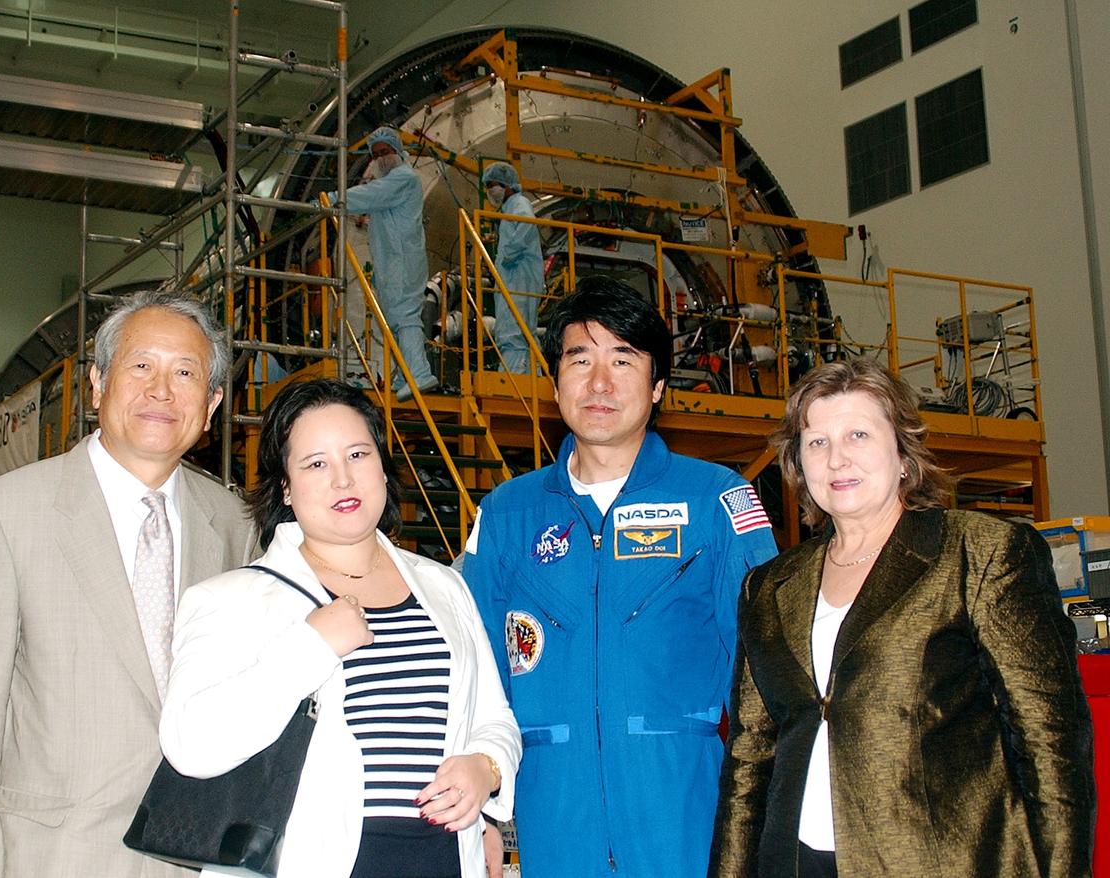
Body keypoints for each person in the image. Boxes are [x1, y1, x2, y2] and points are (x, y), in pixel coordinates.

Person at [709, 357, 1095, 877]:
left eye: (859, 435)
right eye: (817, 442)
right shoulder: (769, 585)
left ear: (904, 455)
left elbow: (1050, 742)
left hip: (942, 860)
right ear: (798, 464)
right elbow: (750, 754)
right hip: (796, 861)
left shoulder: (980, 552)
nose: (837, 459)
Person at [0, 291, 254, 878]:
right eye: (140, 366)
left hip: (194, 860)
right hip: (53, 858)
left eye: (184, 373)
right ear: (98, 384)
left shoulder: (233, 525)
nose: (161, 389)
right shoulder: (6, 514)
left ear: (211, 405)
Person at [462, 277, 778, 877]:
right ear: (555, 382)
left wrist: (764, 816)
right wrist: (485, 820)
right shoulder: (508, 514)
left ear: (658, 385)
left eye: (623, 360)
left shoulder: (716, 501)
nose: (599, 383)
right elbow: (474, 673)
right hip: (551, 828)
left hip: (688, 822)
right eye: (580, 360)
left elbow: (767, 671)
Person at [160, 378, 520, 878]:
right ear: (284, 487)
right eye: (315, 464)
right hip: (312, 863)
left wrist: (487, 767)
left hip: (439, 857)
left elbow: (495, 717)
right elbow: (190, 743)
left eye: (357, 455)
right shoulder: (230, 600)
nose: (343, 479)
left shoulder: (444, 588)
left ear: (383, 469)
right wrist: (311, 646)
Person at [329, 127, 438, 401]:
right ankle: (405, 373)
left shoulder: (403, 179)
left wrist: (333, 199)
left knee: (404, 316)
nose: (381, 158)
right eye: (376, 155)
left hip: (403, 263)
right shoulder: (390, 183)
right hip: (392, 265)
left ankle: (419, 372)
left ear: (398, 152)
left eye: (386, 152)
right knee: (394, 319)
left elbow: (370, 196)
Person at [482, 162, 544, 373]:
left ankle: (512, 376)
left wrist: (509, 253)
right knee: (524, 330)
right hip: (516, 278)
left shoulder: (519, 203)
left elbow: (527, 223)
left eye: (493, 185)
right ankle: (534, 373)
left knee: (512, 329)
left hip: (519, 279)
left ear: (507, 185)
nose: (490, 191)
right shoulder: (509, 209)